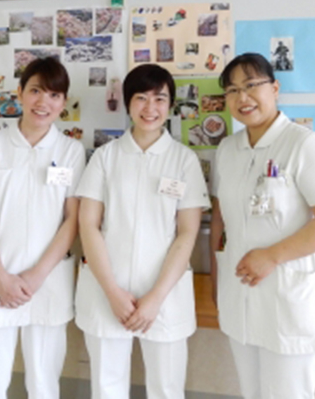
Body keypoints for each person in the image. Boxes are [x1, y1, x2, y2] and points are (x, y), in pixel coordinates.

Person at [209, 53, 315, 399]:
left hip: (290, 299)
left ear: (274, 88)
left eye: (251, 86)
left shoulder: (305, 145)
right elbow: (221, 220)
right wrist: (217, 277)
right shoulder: (227, 149)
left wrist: (272, 256)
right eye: (232, 90)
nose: (242, 98)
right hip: (240, 294)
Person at [75, 64, 208, 399]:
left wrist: (155, 298)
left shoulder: (184, 160)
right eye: (141, 98)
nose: (150, 108)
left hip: (164, 294)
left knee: (167, 389)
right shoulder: (105, 157)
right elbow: (88, 224)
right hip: (108, 290)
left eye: (159, 99)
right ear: (127, 103)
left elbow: (187, 233)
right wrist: (112, 292)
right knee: (107, 388)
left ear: (171, 104)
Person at [0, 57, 85, 399]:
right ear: (19, 93)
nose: (43, 102)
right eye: (35, 91)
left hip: (47, 281)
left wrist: (35, 276)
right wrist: (1, 278)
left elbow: (72, 219)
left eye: (54, 95)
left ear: (64, 102)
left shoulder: (71, 151)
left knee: (44, 385)